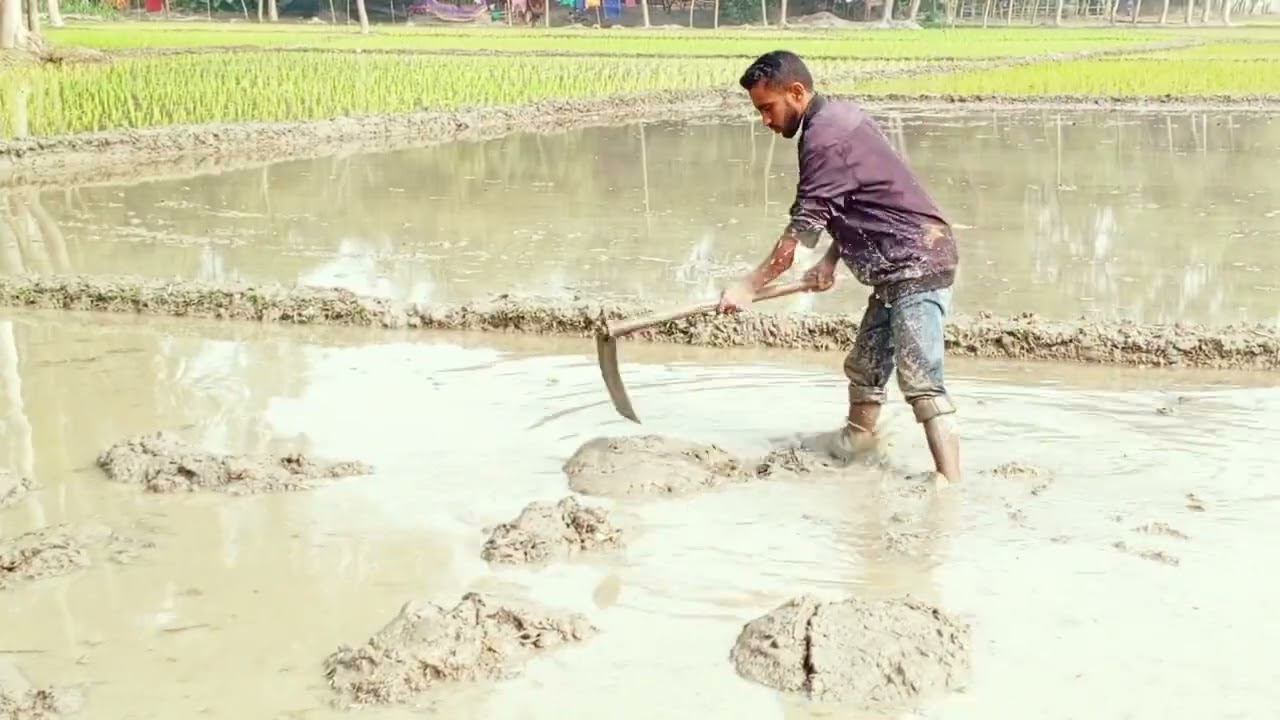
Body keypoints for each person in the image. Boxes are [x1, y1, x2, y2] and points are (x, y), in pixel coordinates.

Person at [718, 50, 961, 484]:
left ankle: (949, 482)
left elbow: (800, 233)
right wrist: (833, 260)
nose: (765, 122)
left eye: (767, 108)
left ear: (796, 92)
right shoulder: (833, 121)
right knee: (866, 366)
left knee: (921, 377)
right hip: (895, 265)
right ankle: (857, 443)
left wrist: (747, 287)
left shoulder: (824, 137)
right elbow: (852, 202)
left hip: (916, 262)